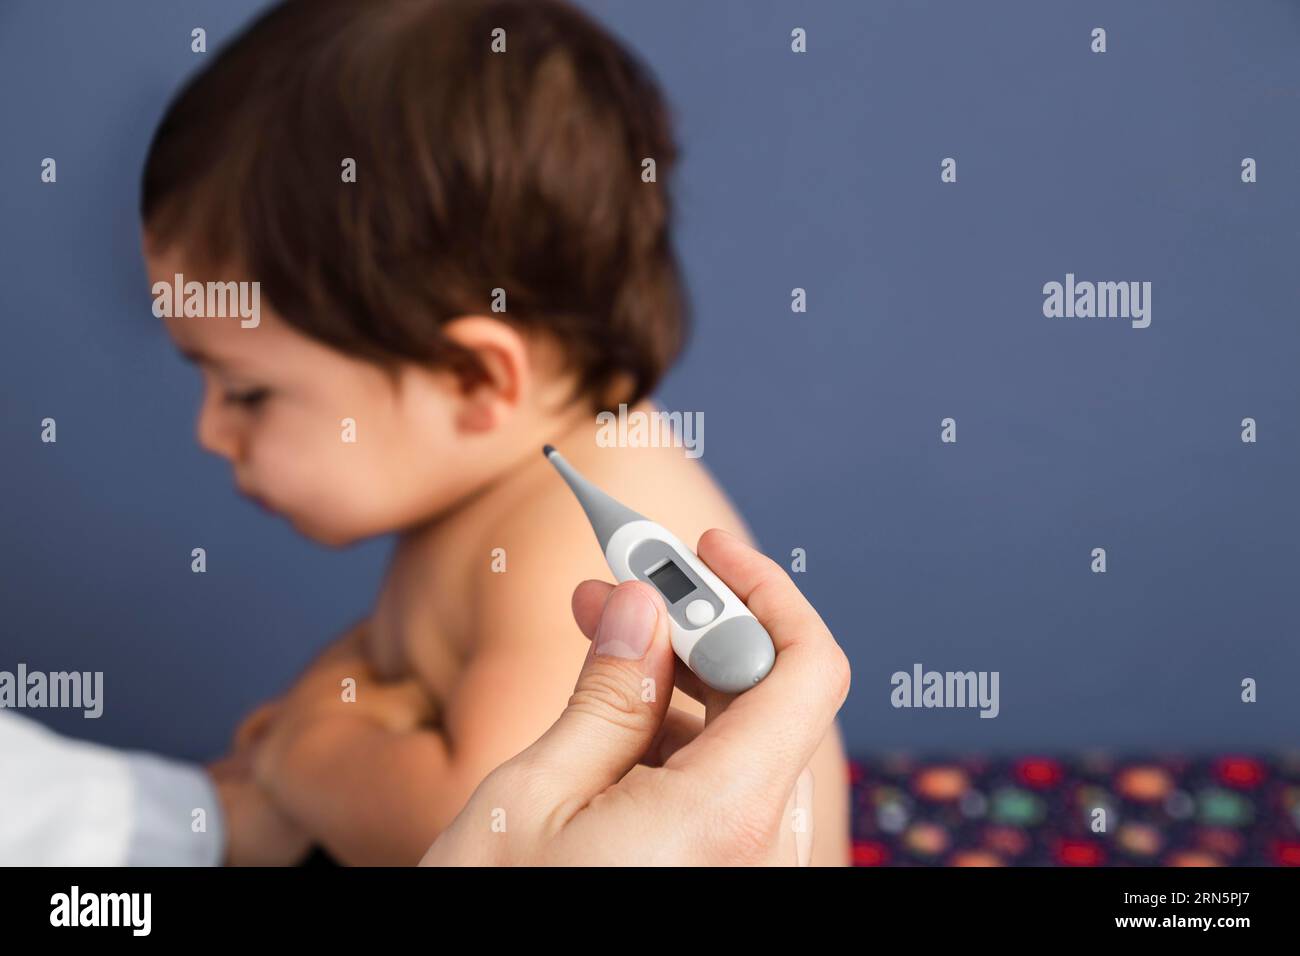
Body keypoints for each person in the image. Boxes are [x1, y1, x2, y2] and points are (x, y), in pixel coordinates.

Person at [139, 0, 850, 865]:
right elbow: (409, 655)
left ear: (475, 380)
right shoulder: (503, 478)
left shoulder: (566, 544)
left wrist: (310, 756)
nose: (209, 431)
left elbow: (480, 821)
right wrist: (328, 706)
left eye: (247, 392)